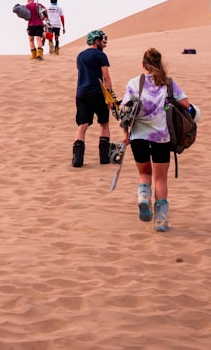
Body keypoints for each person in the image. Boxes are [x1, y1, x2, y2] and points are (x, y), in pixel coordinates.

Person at [119, 48, 192, 232]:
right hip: (161, 137)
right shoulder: (168, 83)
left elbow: (125, 110)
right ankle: (160, 220)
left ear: (143, 64)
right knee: (161, 179)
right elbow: (186, 104)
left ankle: (143, 197)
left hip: (138, 136)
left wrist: (124, 134)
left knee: (144, 173)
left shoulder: (134, 83)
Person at [73, 29, 113, 167]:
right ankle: (104, 158)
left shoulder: (80, 56)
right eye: (103, 40)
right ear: (97, 41)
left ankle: (77, 160)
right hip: (97, 93)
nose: (105, 42)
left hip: (82, 93)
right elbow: (106, 77)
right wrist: (110, 96)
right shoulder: (101, 55)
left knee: (82, 125)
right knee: (104, 123)